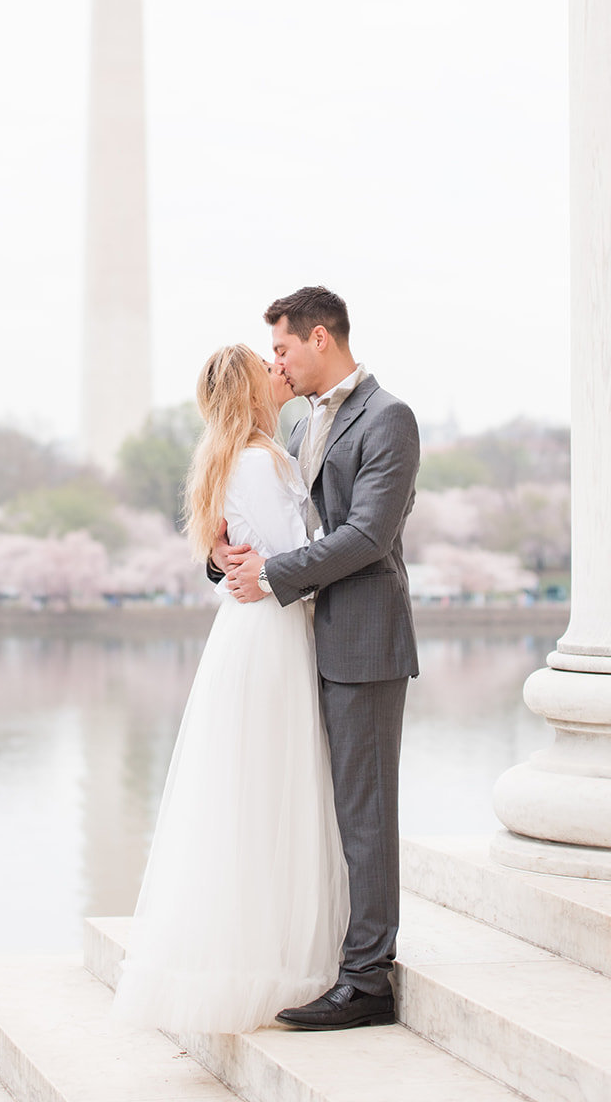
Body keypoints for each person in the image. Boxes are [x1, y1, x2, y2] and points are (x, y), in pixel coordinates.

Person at [110, 343, 348, 1034]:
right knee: (282, 786)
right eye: (265, 367)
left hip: (243, 635)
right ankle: (286, 953)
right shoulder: (261, 459)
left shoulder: (225, 459)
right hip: (271, 631)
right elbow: (293, 556)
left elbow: (253, 550)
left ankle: (255, 940)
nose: (280, 372)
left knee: (247, 790)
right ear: (250, 391)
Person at [213, 285, 420, 1032]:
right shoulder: (302, 423)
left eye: (282, 348)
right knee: (329, 812)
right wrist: (227, 558)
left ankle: (369, 978)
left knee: (364, 814)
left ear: (321, 338)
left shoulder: (388, 417)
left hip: (364, 638)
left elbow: (367, 536)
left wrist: (268, 576)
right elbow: (289, 523)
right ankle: (339, 954)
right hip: (310, 637)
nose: (276, 362)